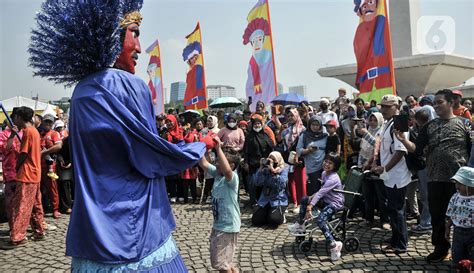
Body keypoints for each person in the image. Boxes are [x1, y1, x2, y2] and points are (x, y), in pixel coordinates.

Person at [29, 1, 206, 269]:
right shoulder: (132, 86)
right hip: (137, 231)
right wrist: (199, 147)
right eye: (133, 33)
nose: (138, 47)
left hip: (93, 233)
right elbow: (150, 155)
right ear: (110, 36)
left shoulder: (80, 93)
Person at [395, 89, 471, 263]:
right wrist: (403, 140)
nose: (436, 106)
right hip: (435, 178)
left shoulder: (465, 124)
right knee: (437, 216)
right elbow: (417, 148)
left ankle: (464, 251)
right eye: (434, 103)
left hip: (460, 181)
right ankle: (441, 248)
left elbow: (471, 150)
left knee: (462, 216)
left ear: (451, 103)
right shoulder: (429, 126)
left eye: (440, 102)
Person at [372, 95, 411, 254]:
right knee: (393, 208)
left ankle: (400, 244)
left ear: (397, 107)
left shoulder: (399, 122)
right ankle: (397, 237)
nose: (384, 109)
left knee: (396, 209)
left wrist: (385, 168)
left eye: (388, 107)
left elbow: (401, 151)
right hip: (390, 173)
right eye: (383, 106)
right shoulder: (388, 122)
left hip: (396, 174)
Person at [287, 153, 344, 261]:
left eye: (330, 163)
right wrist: (309, 200)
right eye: (326, 161)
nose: (327, 164)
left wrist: (310, 206)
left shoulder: (333, 178)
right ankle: (300, 224)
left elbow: (321, 193)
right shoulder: (324, 173)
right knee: (304, 199)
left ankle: (334, 246)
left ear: (335, 166)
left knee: (321, 220)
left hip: (334, 204)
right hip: (326, 200)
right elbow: (320, 192)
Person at [1, 106, 44, 249]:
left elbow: (23, 153)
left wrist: (17, 166)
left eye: (15, 117)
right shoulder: (35, 132)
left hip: (27, 174)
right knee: (35, 205)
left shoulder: (27, 132)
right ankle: (39, 231)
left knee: (22, 207)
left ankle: (17, 237)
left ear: (19, 117)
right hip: (35, 173)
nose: (14, 120)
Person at [198, 137, 241, 273]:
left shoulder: (232, 178)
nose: (216, 163)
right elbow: (203, 163)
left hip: (228, 226)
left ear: (231, 166)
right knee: (225, 261)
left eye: (219, 161)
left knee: (221, 264)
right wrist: (200, 146)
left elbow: (227, 171)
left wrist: (218, 149)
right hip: (219, 225)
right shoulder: (217, 174)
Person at [445, 167, 473, 268]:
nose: (457, 186)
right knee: (457, 255)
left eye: (460, 184)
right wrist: (447, 228)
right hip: (458, 232)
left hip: (472, 232)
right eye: (456, 183)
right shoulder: (455, 197)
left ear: (470, 185)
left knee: (472, 256)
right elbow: (452, 213)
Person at [251, 151, 289, 227]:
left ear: (278, 160)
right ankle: (267, 213)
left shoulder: (283, 169)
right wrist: (260, 169)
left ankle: (281, 214)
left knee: (274, 221)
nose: (270, 162)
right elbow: (257, 183)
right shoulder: (265, 170)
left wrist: (273, 172)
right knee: (256, 221)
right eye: (269, 159)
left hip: (278, 200)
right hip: (265, 199)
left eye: (273, 160)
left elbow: (281, 185)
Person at [243, 114, 274, 205]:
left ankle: (264, 202)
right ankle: (253, 202)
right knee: (253, 183)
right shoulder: (249, 137)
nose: (257, 126)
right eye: (255, 124)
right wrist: (246, 163)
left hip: (265, 164)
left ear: (261, 125)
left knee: (264, 183)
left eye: (259, 124)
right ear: (252, 125)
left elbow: (271, 147)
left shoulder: (265, 135)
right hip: (253, 164)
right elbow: (246, 151)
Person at [282, 108, 306, 213]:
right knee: (290, 180)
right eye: (289, 116)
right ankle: (294, 202)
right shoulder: (287, 129)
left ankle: (302, 203)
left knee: (300, 180)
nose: (290, 118)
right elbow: (281, 142)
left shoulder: (303, 129)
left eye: (292, 115)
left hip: (299, 158)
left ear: (297, 116)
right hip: (288, 157)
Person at [0, 108, 22, 222]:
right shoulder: (3, 134)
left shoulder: (24, 132)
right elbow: (5, 149)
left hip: (24, 173)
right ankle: (13, 226)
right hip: (10, 174)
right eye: (12, 118)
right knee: (10, 202)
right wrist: (12, 135)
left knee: (23, 202)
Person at [297, 116, 327, 195]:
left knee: (323, 189)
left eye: (317, 125)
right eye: (313, 124)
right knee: (313, 190)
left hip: (324, 167)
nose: (315, 127)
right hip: (311, 167)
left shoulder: (324, 135)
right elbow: (298, 150)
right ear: (309, 125)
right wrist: (307, 150)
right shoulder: (304, 135)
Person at [39, 114, 63, 218]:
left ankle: (55, 209)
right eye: (46, 122)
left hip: (50, 166)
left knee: (52, 188)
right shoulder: (40, 134)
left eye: (50, 122)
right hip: (39, 166)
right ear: (42, 122)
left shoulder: (54, 133)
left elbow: (58, 146)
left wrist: (45, 152)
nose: (48, 124)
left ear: (52, 123)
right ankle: (42, 209)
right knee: (40, 189)